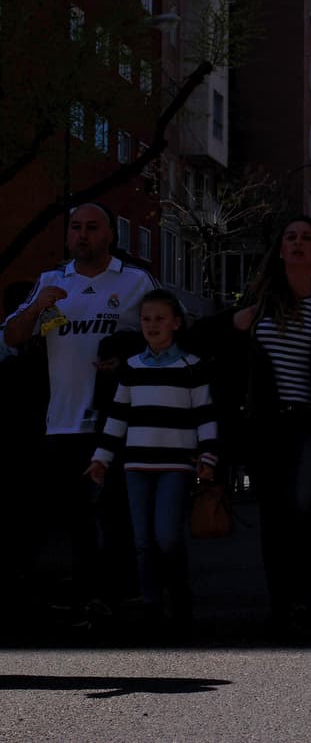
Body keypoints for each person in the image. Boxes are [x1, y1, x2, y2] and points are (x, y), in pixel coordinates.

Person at [192, 215, 311, 639]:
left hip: (309, 423)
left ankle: (303, 603)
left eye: (308, 237)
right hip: (265, 424)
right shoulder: (260, 304)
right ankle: (281, 604)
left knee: (303, 511)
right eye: (291, 237)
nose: (299, 243)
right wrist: (234, 323)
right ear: (280, 250)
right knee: (274, 516)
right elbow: (197, 337)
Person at [3, 203, 156, 625]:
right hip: (63, 419)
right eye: (75, 228)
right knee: (74, 517)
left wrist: (125, 357)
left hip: (115, 418)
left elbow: (162, 335)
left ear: (110, 234)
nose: (83, 235)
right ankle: (89, 594)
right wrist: (36, 309)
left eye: (92, 227)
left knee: (113, 512)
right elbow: (14, 336)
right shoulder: (53, 281)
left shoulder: (134, 281)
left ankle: (118, 594)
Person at [87, 289, 216, 632]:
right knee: (142, 540)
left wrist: (209, 456)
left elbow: (205, 415)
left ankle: (179, 594)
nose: (152, 325)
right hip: (136, 466)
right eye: (146, 319)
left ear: (175, 323)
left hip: (176, 465)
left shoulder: (191, 367)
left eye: (160, 318)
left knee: (166, 536)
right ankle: (151, 605)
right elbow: (117, 417)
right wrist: (102, 458)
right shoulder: (131, 367)